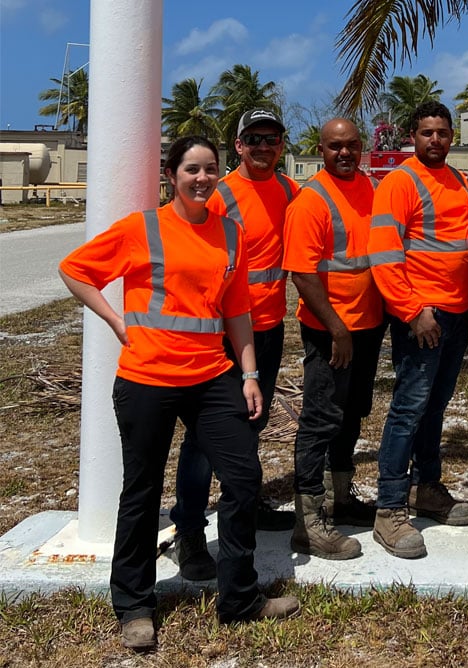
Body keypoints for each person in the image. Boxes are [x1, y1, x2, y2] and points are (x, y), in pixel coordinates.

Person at [58, 136, 299, 652]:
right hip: (147, 377)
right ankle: (134, 604)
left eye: (210, 169)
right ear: (172, 175)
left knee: (242, 476)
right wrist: (118, 321)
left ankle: (239, 598)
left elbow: (237, 311)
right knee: (142, 491)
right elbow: (75, 271)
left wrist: (250, 374)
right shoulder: (143, 228)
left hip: (213, 375)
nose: (202, 178)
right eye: (192, 169)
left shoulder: (229, 233)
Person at [170, 109, 298, 582]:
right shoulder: (218, 194)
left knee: (250, 424)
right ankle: (189, 531)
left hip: (267, 328)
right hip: (222, 333)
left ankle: (245, 504)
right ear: (239, 145)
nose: (264, 147)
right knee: (205, 437)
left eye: (272, 139)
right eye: (254, 139)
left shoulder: (289, 190)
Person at [367, 101, 468, 559]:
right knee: (409, 408)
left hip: (456, 313)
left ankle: (427, 488)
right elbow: (384, 254)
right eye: (427, 133)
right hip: (422, 316)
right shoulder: (400, 183)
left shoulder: (459, 181)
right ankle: (389, 507)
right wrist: (413, 311)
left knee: (435, 406)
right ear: (413, 136)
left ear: (452, 137)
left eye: (443, 133)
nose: (436, 140)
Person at [282, 118, 386, 560]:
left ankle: (342, 497)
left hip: (369, 326)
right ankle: (308, 521)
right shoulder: (312, 201)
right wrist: (337, 329)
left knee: (352, 413)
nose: (345, 153)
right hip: (331, 332)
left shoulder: (372, 189)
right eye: (335, 147)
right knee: (321, 419)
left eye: (353, 145)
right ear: (321, 150)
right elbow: (302, 275)